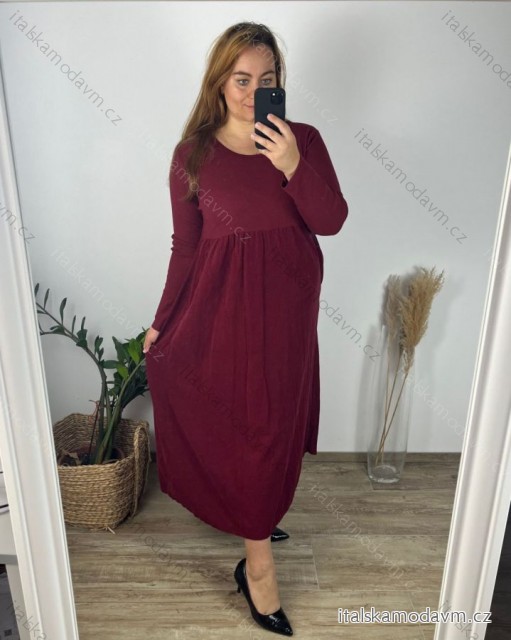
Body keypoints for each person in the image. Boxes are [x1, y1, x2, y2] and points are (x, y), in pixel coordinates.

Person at [143, 21, 349, 637]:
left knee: (276, 420)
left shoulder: (302, 140)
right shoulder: (192, 155)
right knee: (246, 424)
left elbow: (332, 220)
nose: (253, 91)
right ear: (219, 82)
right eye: (241, 79)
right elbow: (186, 247)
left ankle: (258, 511)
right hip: (221, 309)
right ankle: (257, 566)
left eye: (267, 79)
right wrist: (161, 322)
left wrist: (290, 163)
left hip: (288, 309)